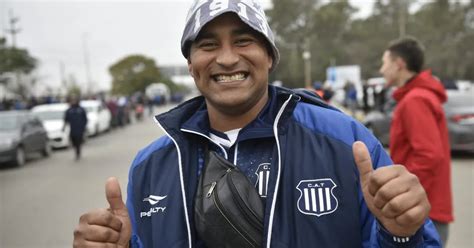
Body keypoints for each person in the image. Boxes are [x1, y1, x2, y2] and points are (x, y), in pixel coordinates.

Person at [73, 1, 441, 247]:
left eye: (244, 40)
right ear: (191, 65)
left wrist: (401, 234)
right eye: (208, 45)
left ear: (269, 57)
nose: (228, 58)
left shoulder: (345, 141)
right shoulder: (152, 164)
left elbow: (411, 238)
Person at [379, 37, 453, 246]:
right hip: (424, 208)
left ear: (399, 64)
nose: (381, 69)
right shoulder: (417, 97)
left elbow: (429, 155)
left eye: (385, 63)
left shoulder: (415, 100)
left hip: (421, 211)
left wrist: (398, 194)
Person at [64, 95, 88, 161]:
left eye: (75, 100)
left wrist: (84, 126)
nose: (73, 102)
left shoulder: (81, 110)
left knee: (78, 142)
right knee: (73, 141)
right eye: (72, 100)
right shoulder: (69, 110)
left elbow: (85, 119)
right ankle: (76, 150)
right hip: (73, 129)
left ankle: (78, 153)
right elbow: (66, 119)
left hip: (80, 129)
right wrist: (64, 127)